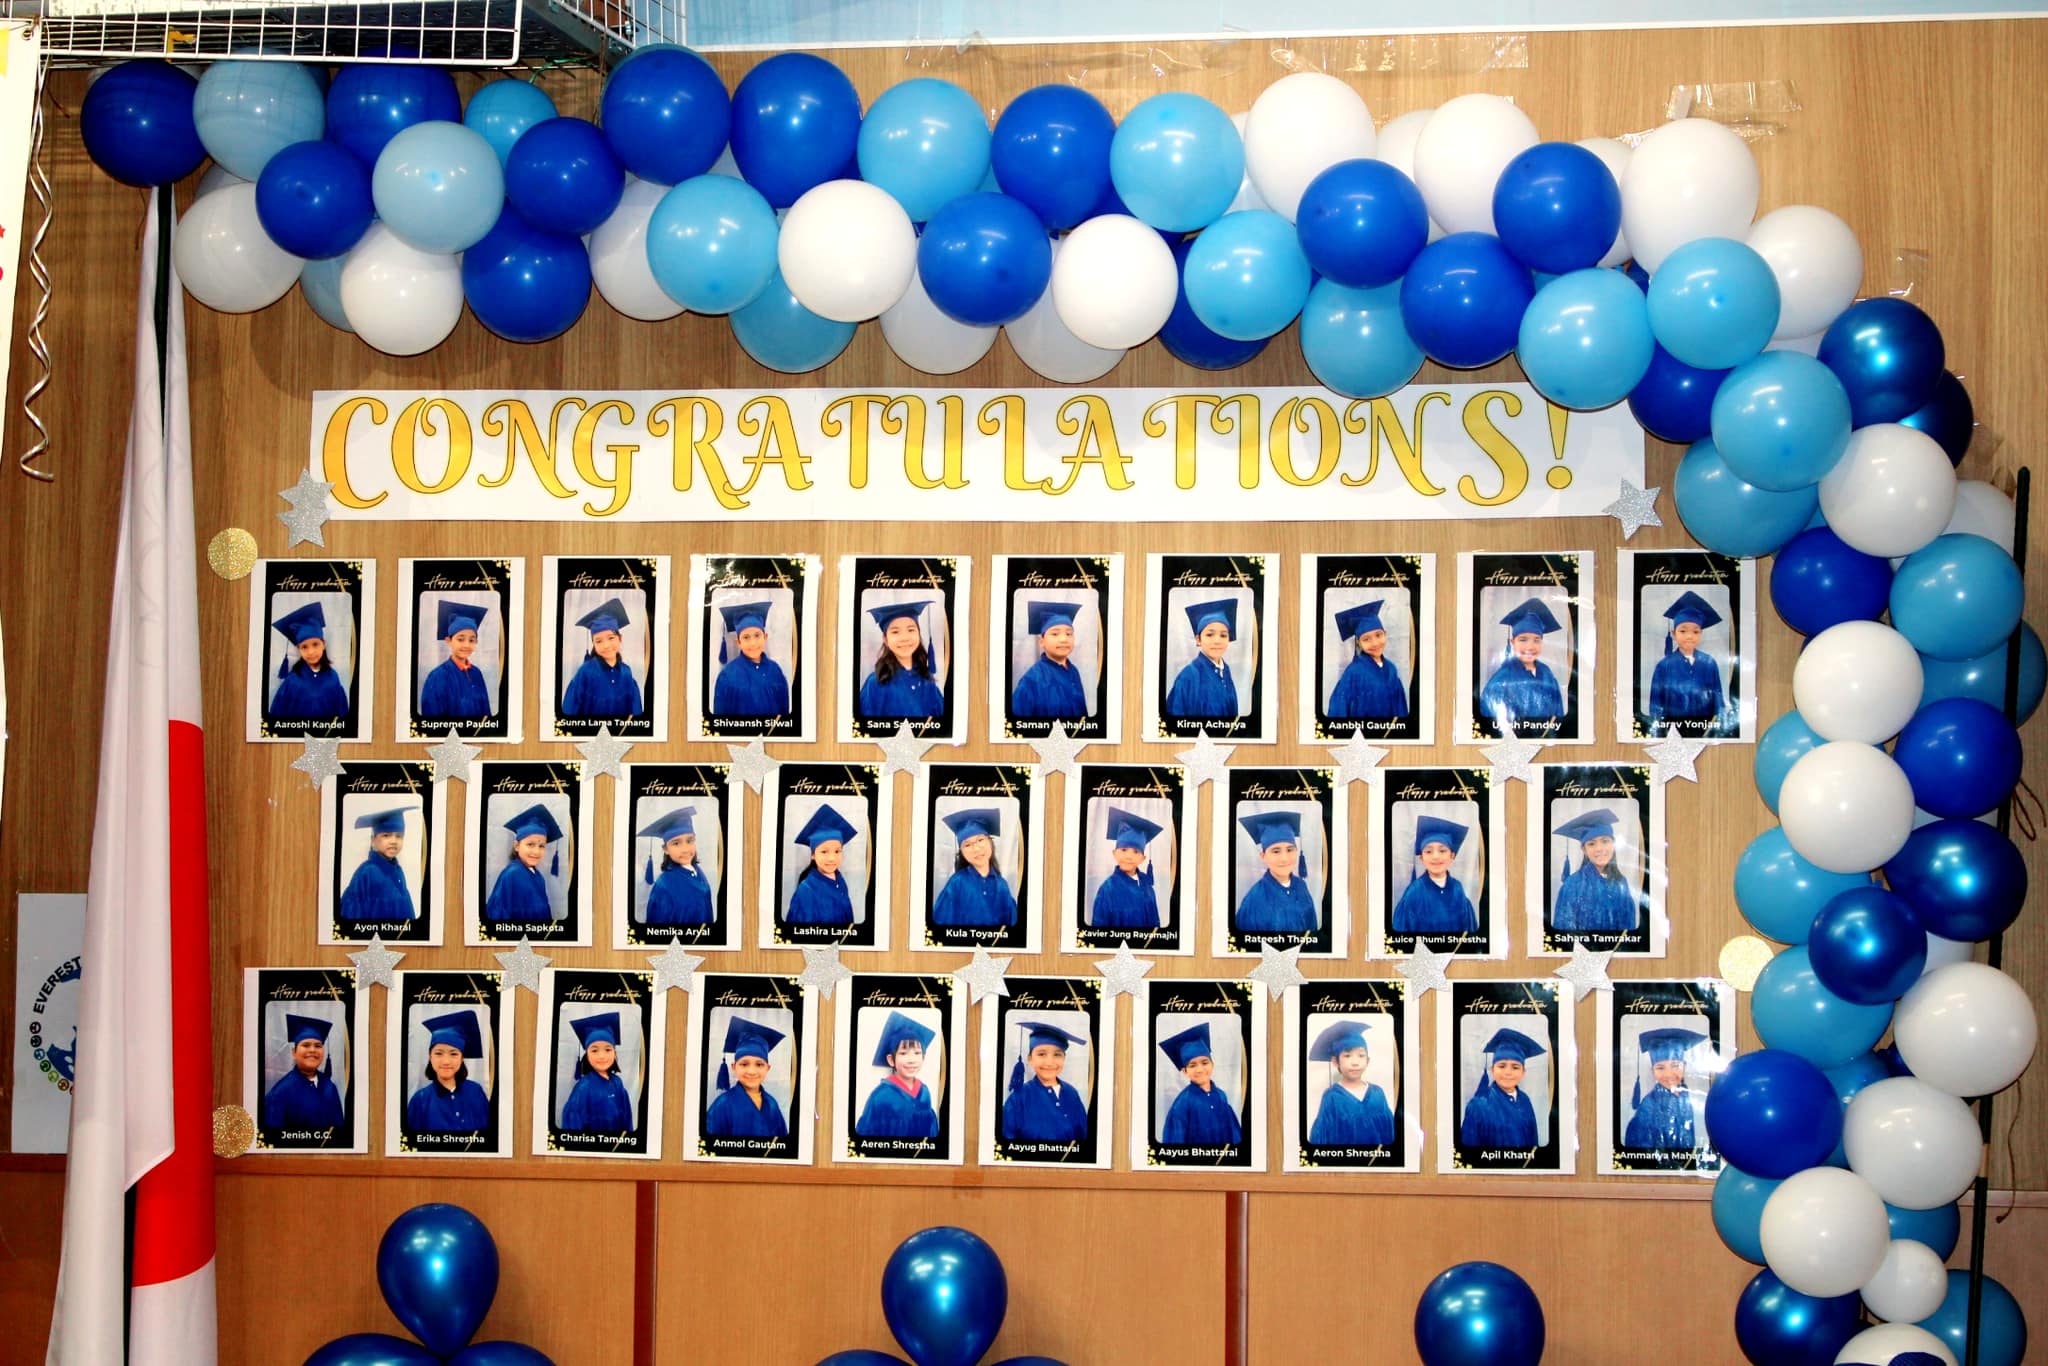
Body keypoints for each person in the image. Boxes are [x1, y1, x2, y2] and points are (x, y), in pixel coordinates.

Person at [1478, 597, 1565, 730]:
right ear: (1512, 642)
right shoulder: (1501, 681)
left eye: (1536, 640)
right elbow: (1492, 724)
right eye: (1523, 640)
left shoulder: (1547, 673)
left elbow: (1558, 714)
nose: (1530, 646)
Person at [1551, 808, 1643, 934]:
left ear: (1613, 844)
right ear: (1584, 850)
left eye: (1605, 841)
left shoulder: (1621, 882)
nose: (1599, 848)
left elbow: (1628, 928)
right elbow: (1564, 933)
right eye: (1591, 844)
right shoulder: (1572, 885)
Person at [1306, 1020, 1395, 1146]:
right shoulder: (1332, 1097)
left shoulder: (1377, 1093)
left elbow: (1390, 1132)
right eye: (1347, 1056)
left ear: (1368, 1061)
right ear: (1335, 1062)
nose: (1355, 1062)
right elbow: (1322, 1139)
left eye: (1361, 1055)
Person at [1647, 590, 1727, 730]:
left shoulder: (1709, 663)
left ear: (1701, 634)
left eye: (1695, 631)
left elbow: (1718, 702)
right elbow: (1656, 705)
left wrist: (1716, 729)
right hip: (1672, 731)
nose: (1689, 636)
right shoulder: (1664, 666)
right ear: (1673, 634)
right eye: (1683, 631)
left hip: (1703, 730)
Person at [1000, 1019, 1089, 1142]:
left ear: (1064, 1058)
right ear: (1030, 1059)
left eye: (1057, 1054)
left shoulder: (1072, 1093)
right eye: (1041, 1054)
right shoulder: (1017, 1099)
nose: (1049, 1062)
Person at [856, 1010, 940, 1138]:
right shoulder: (880, 1097)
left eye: (917, 1053)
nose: (911, 1060)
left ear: (923, 1058)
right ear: (891, 1060)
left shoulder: (924, 1092)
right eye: (903, 1053)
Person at [404, 1010, 491, 1133]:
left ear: (462, 1058)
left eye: (454, 1054)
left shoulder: (476, 1092)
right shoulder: (419, 1101)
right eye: (439, 1053)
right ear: (430, 1056)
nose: (446, 1061)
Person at [930, 807, 1018, 928]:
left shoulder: (1002, 886)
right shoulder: (956, 883)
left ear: (990, 842)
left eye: (980, 840)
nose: (976, 848)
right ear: (961, 852)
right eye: (967, 845)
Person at [1233, 810, 1319, 934]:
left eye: (1290, 850)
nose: (1284, 858)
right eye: (1276, 851)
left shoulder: (1301, 886)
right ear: (1263, 856)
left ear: (1297, 851)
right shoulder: (1254, 901)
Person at [1391, 815, 1479, 935]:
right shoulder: (1413, 893)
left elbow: (1470, 930)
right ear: (1422, 858)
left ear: (1452, 856)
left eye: (1442, 850)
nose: (1435, 856)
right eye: (1428, 851)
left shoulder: (1457, 889)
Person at [858, 599, 945, 720]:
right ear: (885, 640)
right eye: (895, 632)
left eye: (911, 630)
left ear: (918, 634)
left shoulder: (927, 680)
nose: (904, 638)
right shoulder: (875, 683)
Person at [1458, 1026, 1544, 1148]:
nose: (1508, 1072)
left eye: (1515, 1067)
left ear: (1523, 1072)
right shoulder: (1478, 1106)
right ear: (1492, 1070)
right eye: (1502, 1066)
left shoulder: (1525, 1100)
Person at [703, 1016, 789, 1138]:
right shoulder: (722, 1105)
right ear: (734, 1067)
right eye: (744, 1064)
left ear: (767, 1068)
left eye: (759, 1064)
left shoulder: (771, 1104)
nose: (751, 1071)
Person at [1624, 1026, 1707, 1151]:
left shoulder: (1685, 1097)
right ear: (1652, 1071)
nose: (1669, 1074)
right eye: (1660, 1068)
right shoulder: (1648, 1107)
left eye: (1675, 1065)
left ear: (1684, 1066)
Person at [1158, 1021, 1242, 1145]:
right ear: (1185, 1071)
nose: (1200, 1069)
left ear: (1212, 1064)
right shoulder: (1181, 1105)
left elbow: (1234, 1135)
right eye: (1192, 1065)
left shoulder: (1221, 1096)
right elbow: (1175, 1146)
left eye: (1205, 1062)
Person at [560, 596, 643, 719]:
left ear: (620, 638)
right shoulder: (585, 672)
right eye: (598, 641)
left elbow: (635, 711)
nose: (606, 645)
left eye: (611, 638)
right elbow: (569, 710)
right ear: (593, 644)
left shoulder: (627, 672)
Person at [1327, 599, 1409, 720]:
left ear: (1385, 634)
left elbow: (1401, 709)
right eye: (1366, 639)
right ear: (1359, 644)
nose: (1375, 643)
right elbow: (1338, 711)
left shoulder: (1391, 669)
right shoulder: (1353, 673)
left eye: (1378, 635)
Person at [484, 803, 564, 926]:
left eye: (541, 846)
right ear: (517, 846)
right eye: (530, 844)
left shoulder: (537, 876)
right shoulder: (512, 875)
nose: (536, 851)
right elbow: (498, 917)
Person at [262, 1013, 346, 1129]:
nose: (312, 1050)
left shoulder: (329, 1086)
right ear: (294, 1052)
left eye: (318, 1046)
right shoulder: (279, 1094)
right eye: (306, 1045)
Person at [1010, 600, 1091, 720]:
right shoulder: (1031, 680)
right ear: (1041, 641)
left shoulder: (1074, 671)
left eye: (1069, 634)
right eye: (1055, 634)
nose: (1064, 639)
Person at [268, 602, 349, 720]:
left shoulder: (333, 678)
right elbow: (277, 715)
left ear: (323, 644)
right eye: (304, 647)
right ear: (299, 649)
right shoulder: (292, 681)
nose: (311, 652)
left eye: (315, 644)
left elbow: (342, 714)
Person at [1163, 598, 1241, 720]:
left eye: (1223, 635)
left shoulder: (1225, 670)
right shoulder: (1188, 676)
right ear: (1198, 640)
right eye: (1210, 634)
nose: (1217, 641)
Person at [1090, 806, 1164, 930]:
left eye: (1136, 851)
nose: (1129, 856)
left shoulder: (1148, 888)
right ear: (1115, 854)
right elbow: (1098, 931)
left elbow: (1156, 926)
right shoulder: (1107, 890)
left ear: (1142, 858)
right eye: (1124, 850)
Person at [712, 600, 791, 717]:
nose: (753, 643)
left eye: (757, 635)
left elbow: (784, 711)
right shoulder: (727, 676)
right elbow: (720, 720)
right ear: (738, 642)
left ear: (765, 637)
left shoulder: (775, 670)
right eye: (746, 637)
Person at [338, 805, 417, 922]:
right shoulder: (366, 873)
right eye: (386, 835)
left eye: (399, 836)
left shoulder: (398, 871)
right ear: (373, 840)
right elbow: (352, 914)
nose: (394, 841)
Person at [784, 803, 858, 926]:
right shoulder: (806, 891)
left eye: (837, 851)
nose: (832, 858)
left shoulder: (840, 881)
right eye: (824, 852)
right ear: (813, 855)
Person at [560, 1011, 634, 1134]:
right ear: (587, 1055)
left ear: (614, 1053)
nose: (601, 1056)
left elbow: (627, 1120)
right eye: (594, 1051)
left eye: (608, 1050)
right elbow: (573, 1130)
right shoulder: (583, 1089)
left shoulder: (618, 1083)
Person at [418, 599, 494, 720]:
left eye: (472, 640)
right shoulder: (437, 677)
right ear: (449, 641)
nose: (466, 645)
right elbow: (432, 722)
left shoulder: (476, 673)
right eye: (460, 639)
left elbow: (486, 715)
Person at [638, 806, 713, 926]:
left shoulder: (698, 871)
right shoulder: (663, 887)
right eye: (676, 843)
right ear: (666, 849)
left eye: (690, 840)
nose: (685, 849)